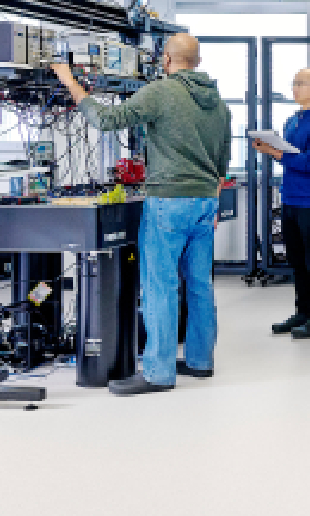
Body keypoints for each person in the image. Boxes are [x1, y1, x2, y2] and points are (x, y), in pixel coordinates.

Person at [50, 33, 232, 395]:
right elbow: (223, 161)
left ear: (166, 59)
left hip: (168, 201)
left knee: (160, 286)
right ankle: (200, 360)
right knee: (199, 285)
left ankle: (159, 372)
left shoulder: (163, 91)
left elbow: (106, 120)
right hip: (205, 202)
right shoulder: (219, 104)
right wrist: (211, 200)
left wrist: (69, 80)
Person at [252, 68, 310, 339]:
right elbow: (290, 156)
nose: (295, 89)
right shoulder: (292, 120)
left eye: (301, 84)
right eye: (293, 83)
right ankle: (302, 312)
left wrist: (275, 152)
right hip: (289, 198)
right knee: (297, 261)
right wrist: (272, 147)